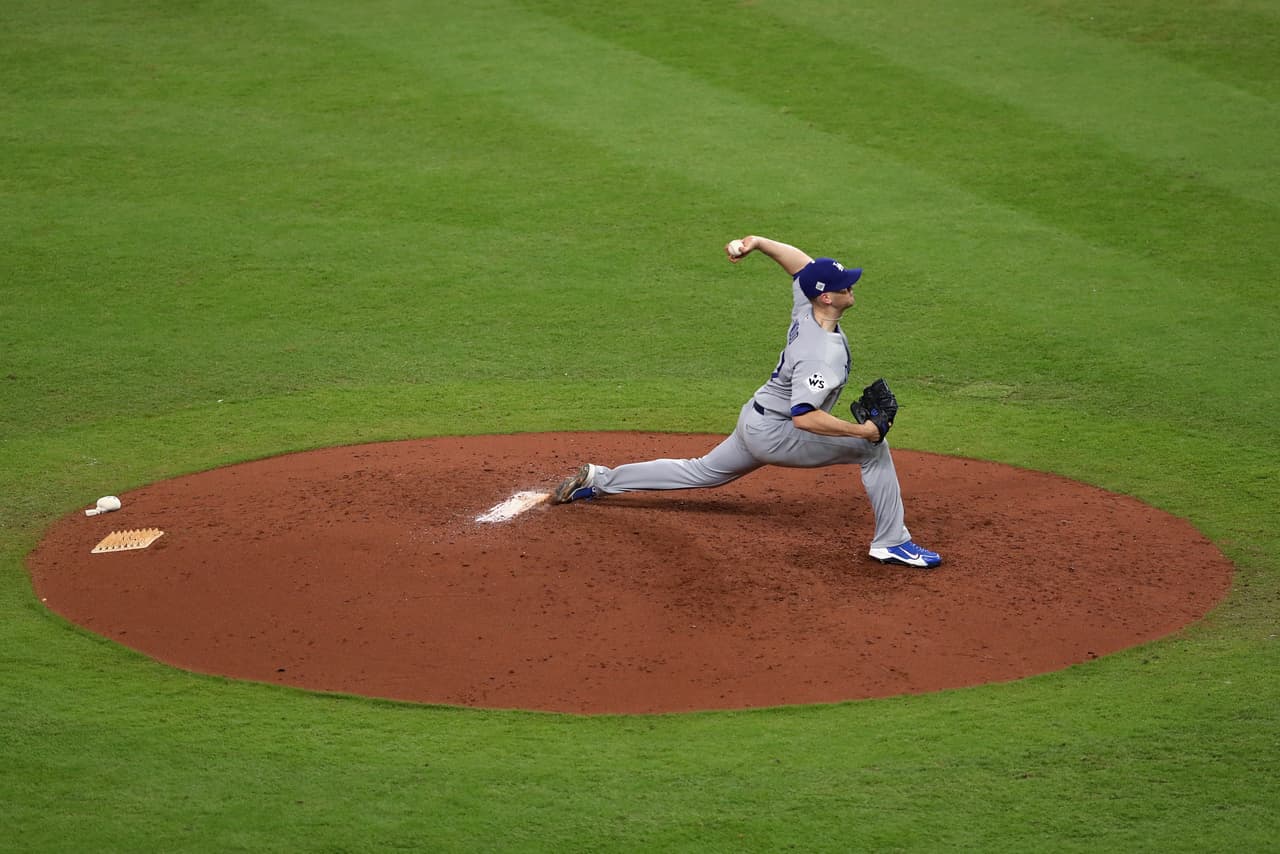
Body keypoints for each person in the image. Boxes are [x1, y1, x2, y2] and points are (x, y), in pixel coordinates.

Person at [551, 235, 941, 569]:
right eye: (844, 286)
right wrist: (864, 431)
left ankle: (600, 480)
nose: (851, 288)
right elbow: (804, 417)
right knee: (873, 450)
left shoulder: (807, 306)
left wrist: (756, 242)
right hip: (777, 432)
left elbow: (799, 264)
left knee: (701, 471)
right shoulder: (820, 353)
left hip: (755, 419)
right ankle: (891, 541)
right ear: (826, 296)